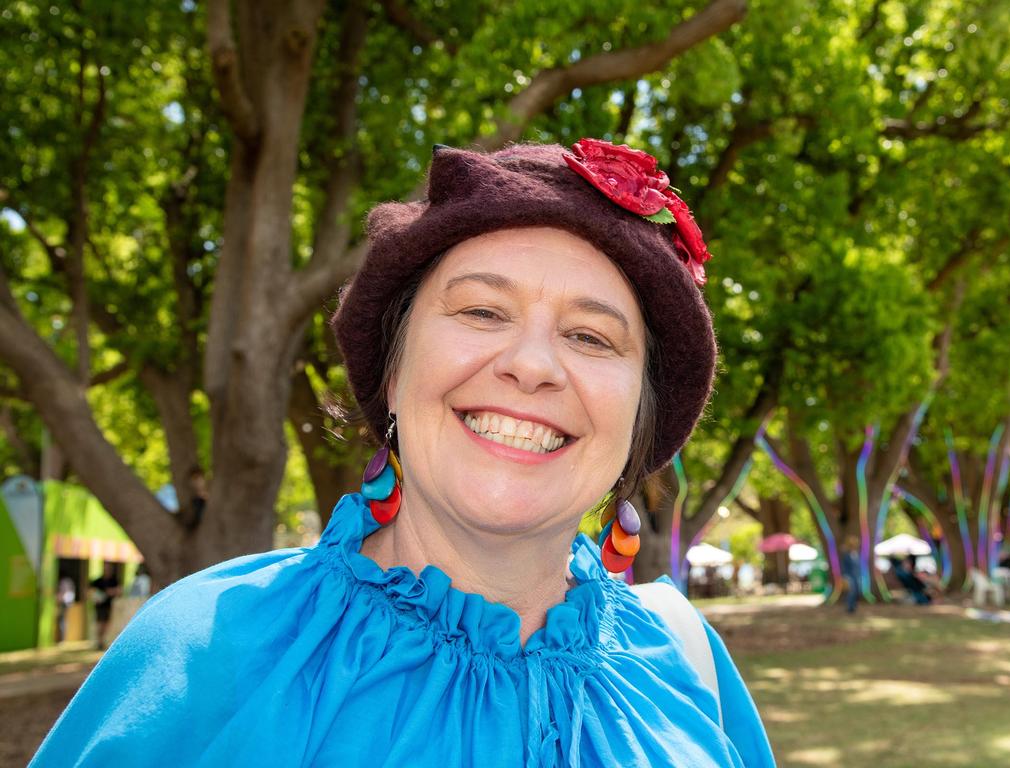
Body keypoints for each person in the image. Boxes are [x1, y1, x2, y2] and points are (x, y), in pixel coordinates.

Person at [32, 140, 774, 766]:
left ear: (639, 419)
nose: (533, 365)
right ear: (391, 372)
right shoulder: (202, 653)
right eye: (483, 311)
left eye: (590, 336)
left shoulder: (688, 664)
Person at [88, 563, 120, 650]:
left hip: (108, 605)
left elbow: (118, 591)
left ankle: (101, 641)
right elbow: (90, 591)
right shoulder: (98, 581)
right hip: (99, 606)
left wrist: (110, 592)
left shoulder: (113, 580)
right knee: (100, 624)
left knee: (106, 624)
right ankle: (100, 641)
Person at [840, 535, 861, 614]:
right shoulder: (846, 555)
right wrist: (846, 576)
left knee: (856, 592)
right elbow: (844, 567)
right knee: (851, 592)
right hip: (849, 576)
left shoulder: (857, 554)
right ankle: (849, 607)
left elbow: (858, 566)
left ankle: (853, 606)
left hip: (856, 576)